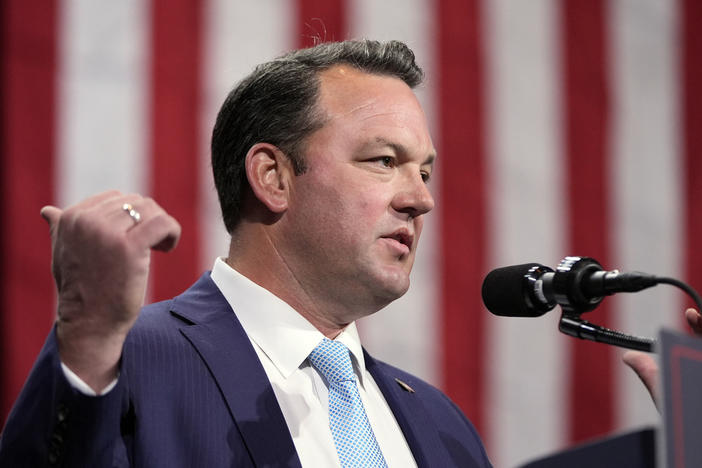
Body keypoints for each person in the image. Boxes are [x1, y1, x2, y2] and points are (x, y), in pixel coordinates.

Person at [0, 39, 492, 467]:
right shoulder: (125, 362)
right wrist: (87, 335)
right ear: (273, 178)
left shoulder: (442, 425)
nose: (421, 199)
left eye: (424, 173)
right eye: (385, 161)